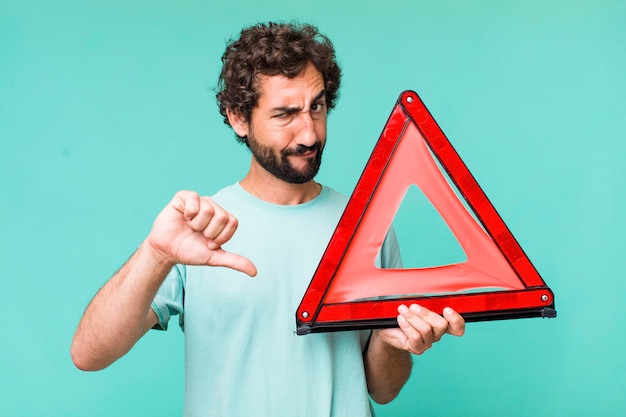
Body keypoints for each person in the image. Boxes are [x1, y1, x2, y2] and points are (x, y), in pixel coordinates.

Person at [71, 21, 465, 416]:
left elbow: (383, 390)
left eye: (317, 106)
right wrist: (157, 253)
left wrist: (389, 342)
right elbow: (89, 354)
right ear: (240, 118)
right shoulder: (198, 229)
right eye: (285, 114)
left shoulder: (368, 226)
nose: (309, 133)